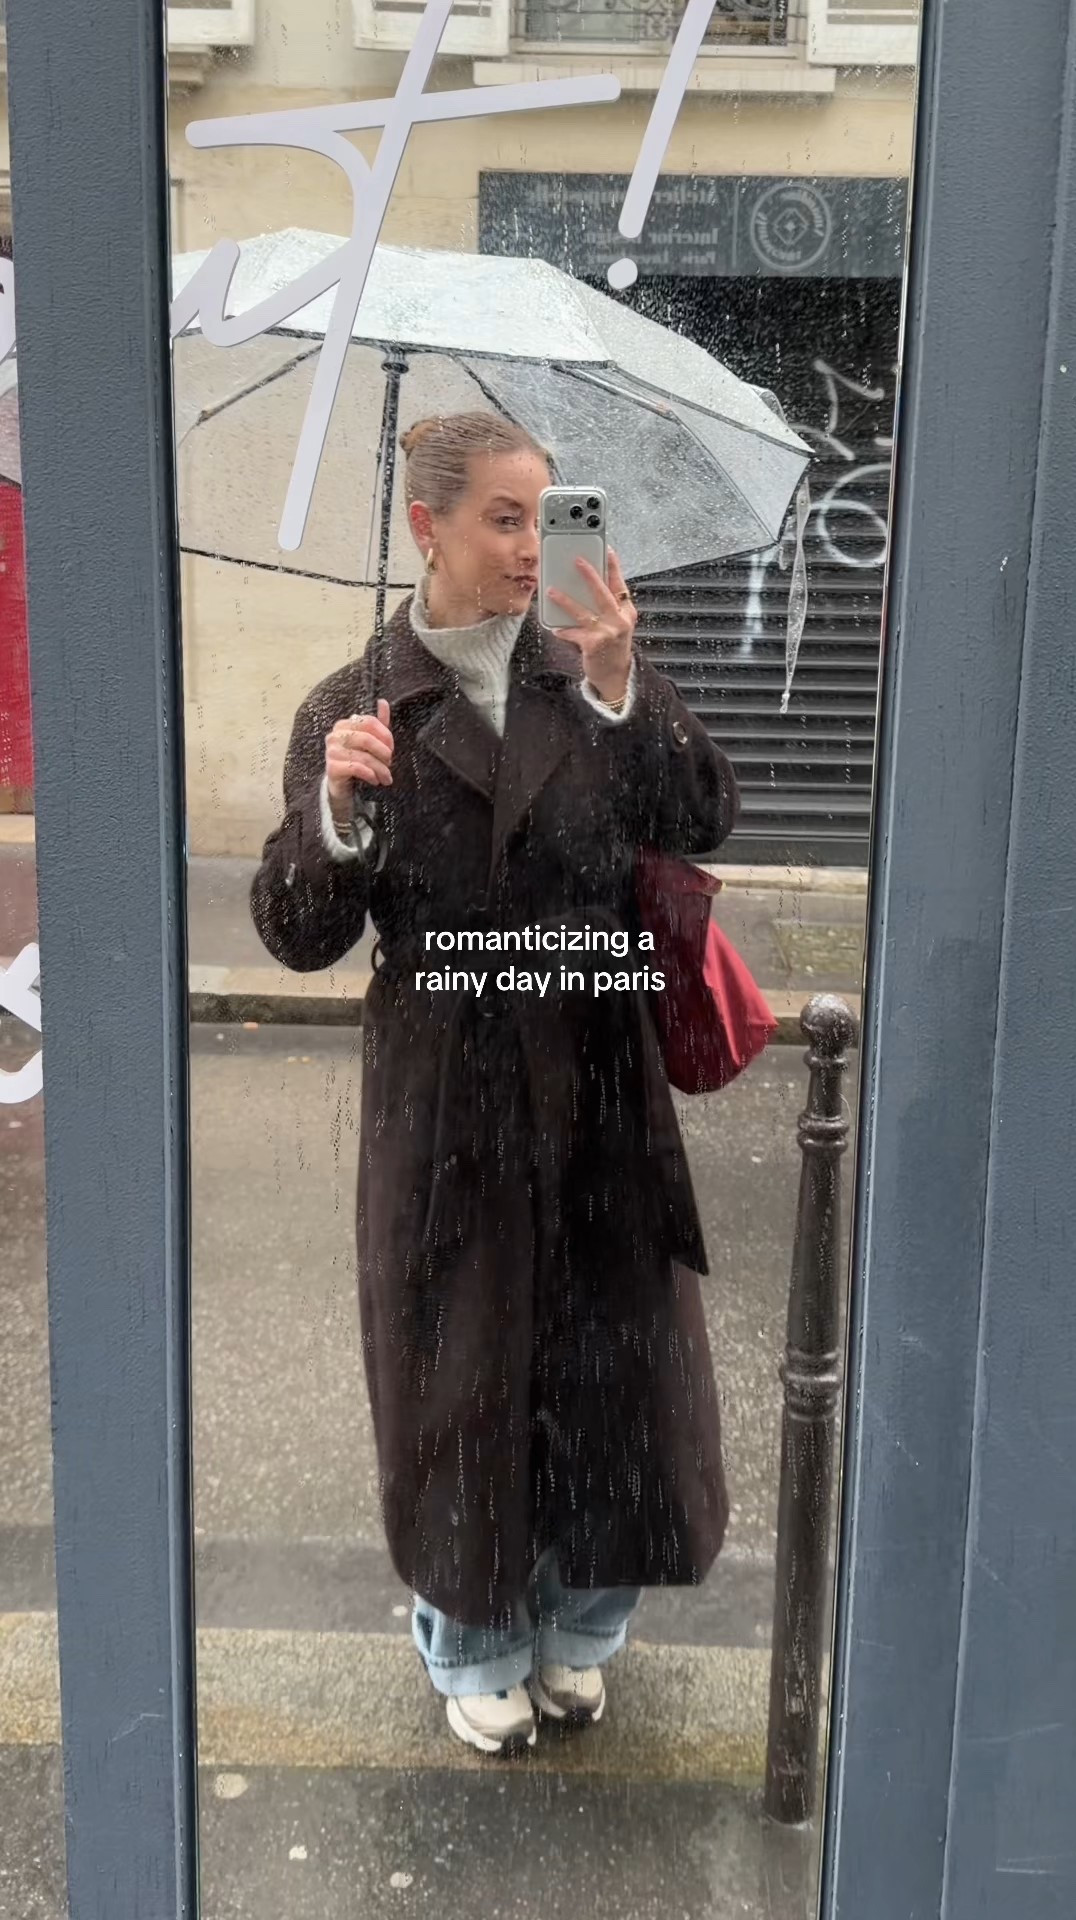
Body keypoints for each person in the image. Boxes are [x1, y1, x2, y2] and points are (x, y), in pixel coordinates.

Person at [251, 410, 740, 1757]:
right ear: (428, 526)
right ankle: (470, 1640)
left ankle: (581, 1634)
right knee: (458, 1371)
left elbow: (702, 814)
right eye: (505, 519)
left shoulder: (587, 665)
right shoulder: (353, 704)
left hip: (596, 1080)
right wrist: (337, 818)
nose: (534, 547)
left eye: (545, 517)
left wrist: (627, 684)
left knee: (611, 1366)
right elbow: (297, 934)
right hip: (447, 1093)